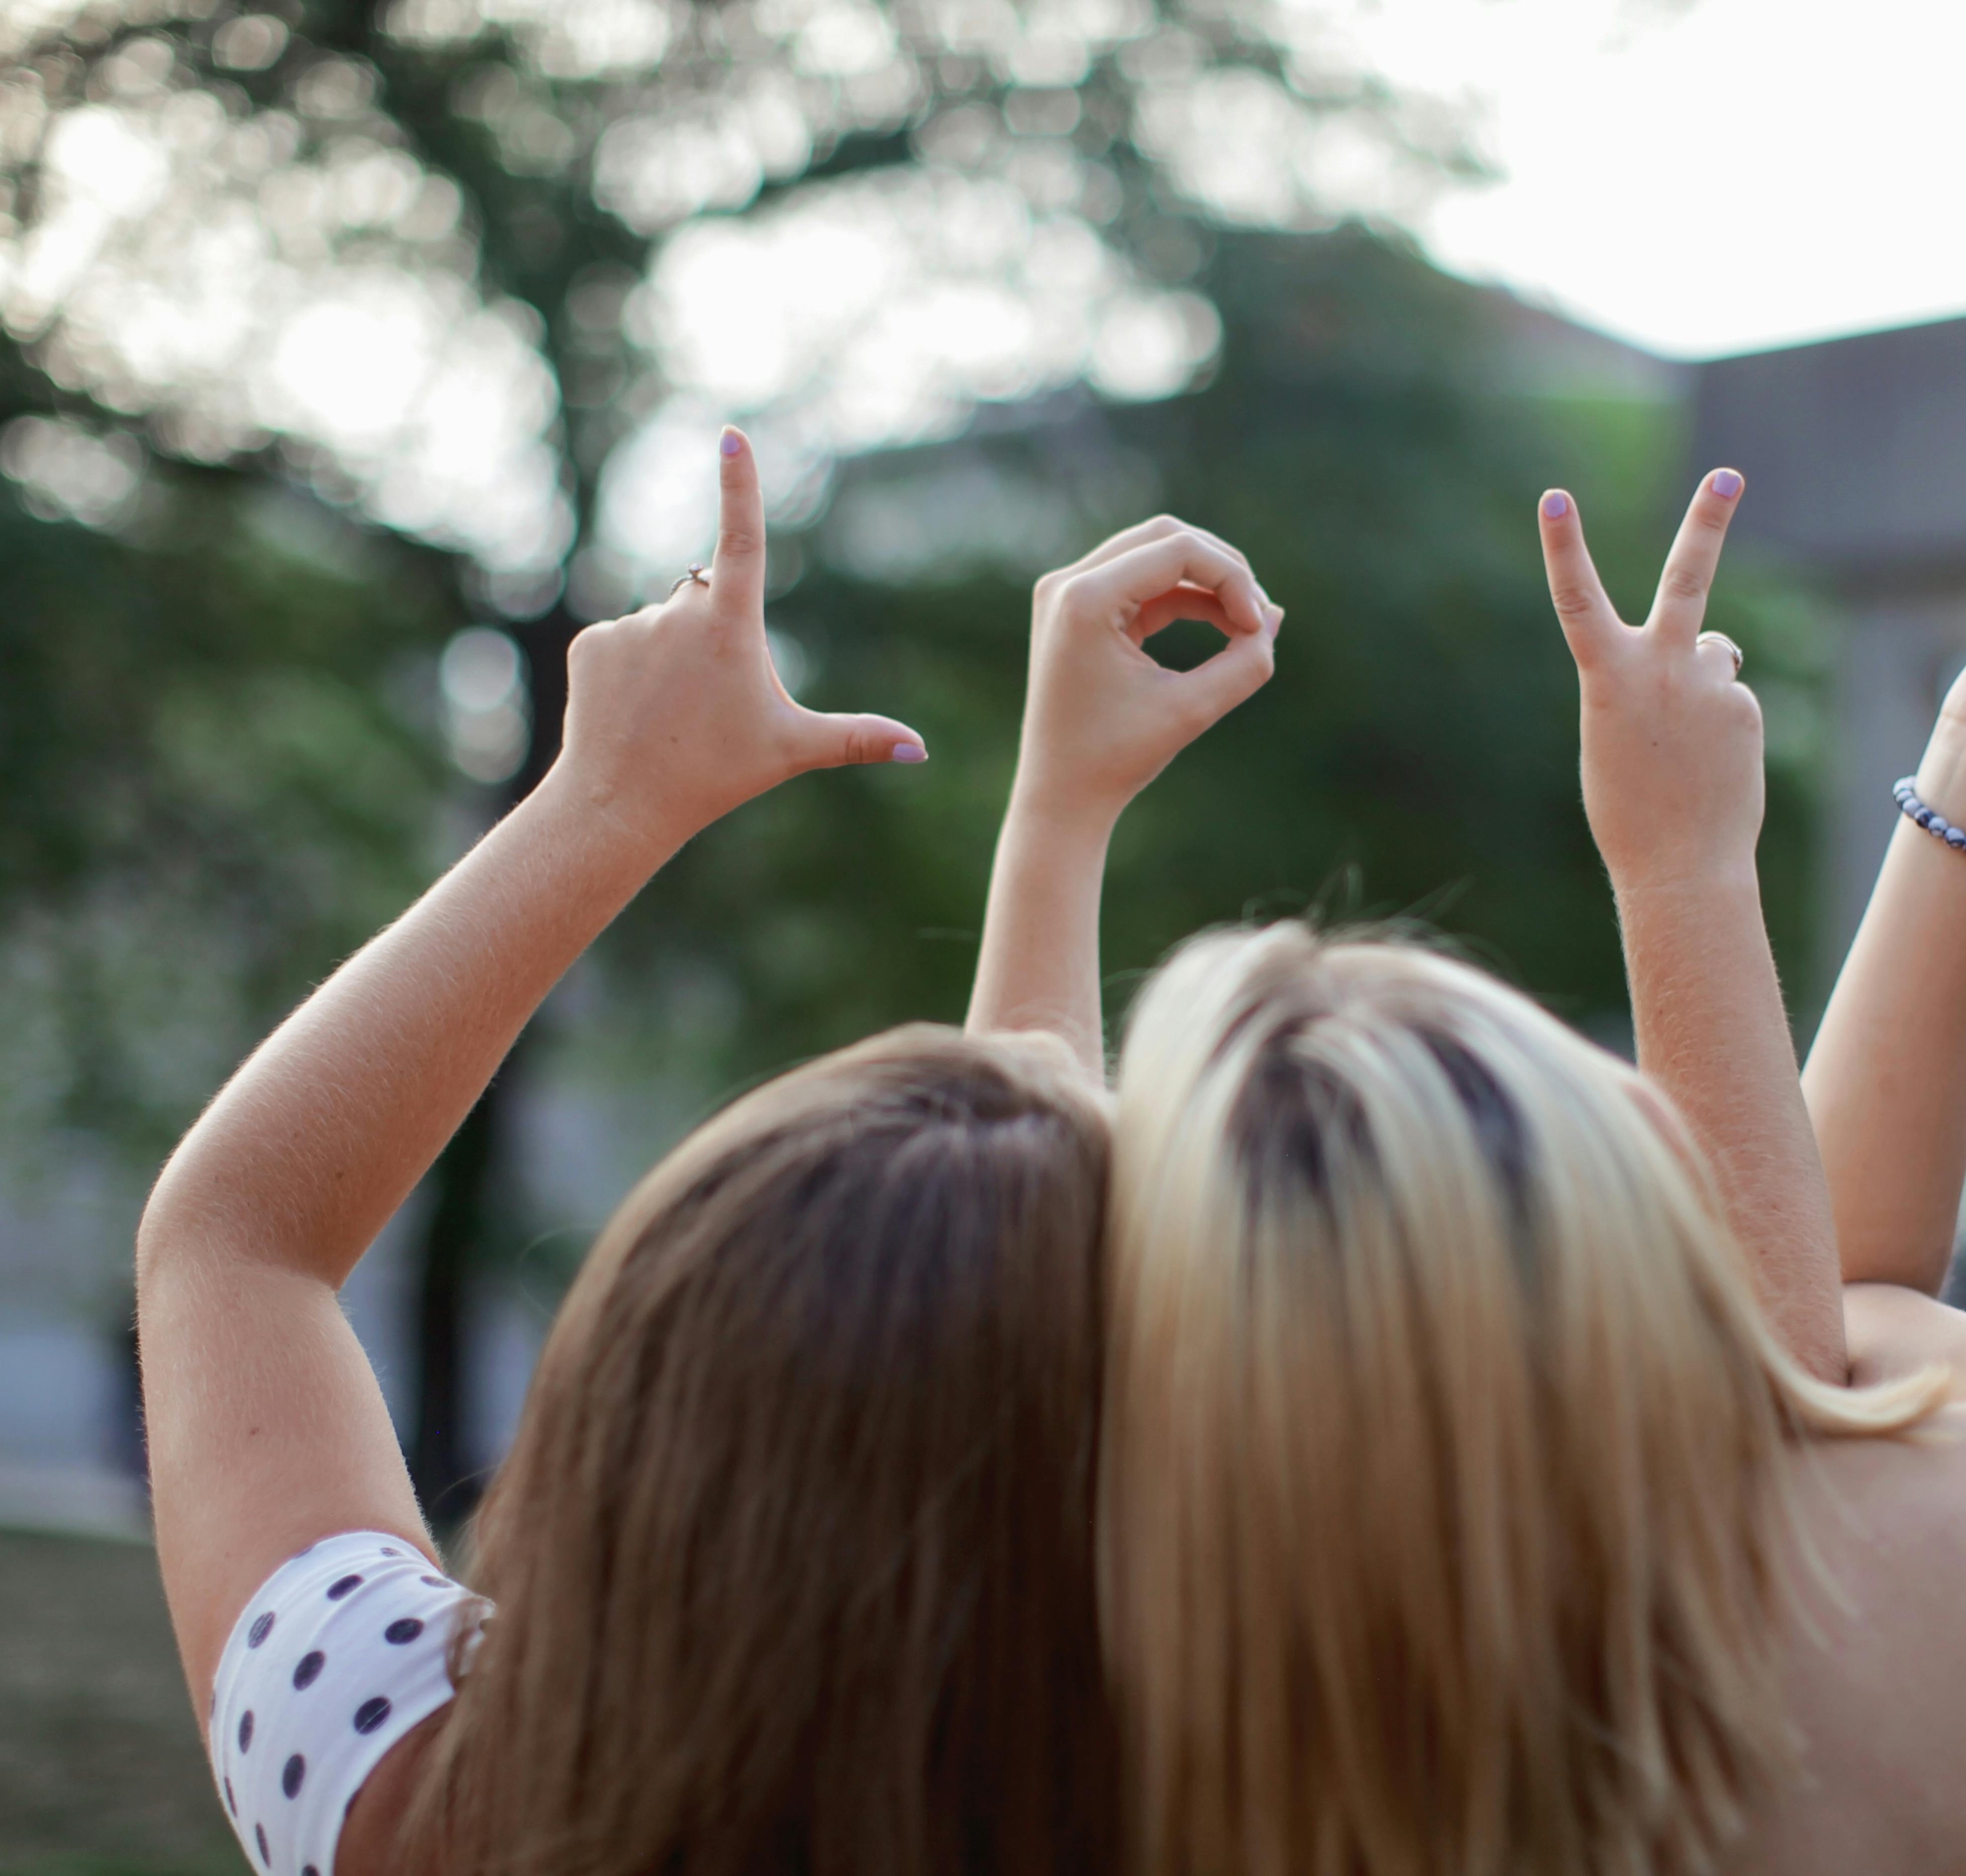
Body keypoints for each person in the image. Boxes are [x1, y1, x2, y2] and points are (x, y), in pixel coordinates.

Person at [1090, 456, 1966, 1874]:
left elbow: (1798, 1364)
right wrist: (1696, 864)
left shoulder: (1195, 1757)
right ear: (1611, 1228)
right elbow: (1813, 1358)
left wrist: (1056, 820)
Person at [133, 427, 1280, 1876]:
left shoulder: (403, 1795)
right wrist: (1059, 818)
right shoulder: (1242, 1806)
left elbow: (233, 1242)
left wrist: (607, 795)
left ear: (617, 1423)